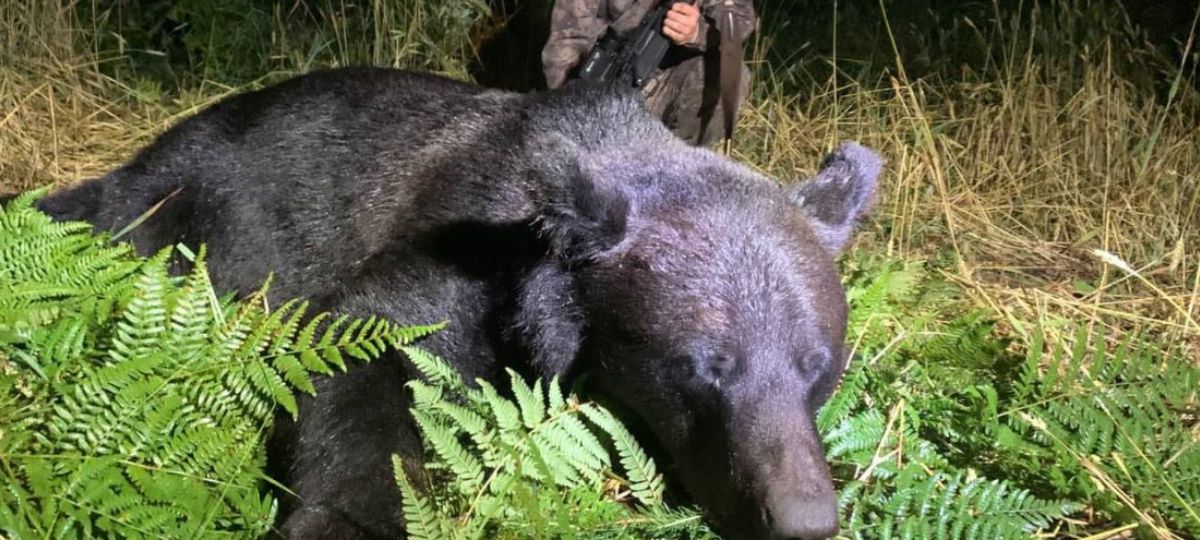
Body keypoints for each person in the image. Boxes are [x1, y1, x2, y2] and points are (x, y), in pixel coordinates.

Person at [542, 0, 757, 146]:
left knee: (730, 72)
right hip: (597, 94)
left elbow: (740, 21)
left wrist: (698, 32)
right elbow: (565, 43)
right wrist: (567, 107)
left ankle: (675, 166)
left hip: (664, 86)